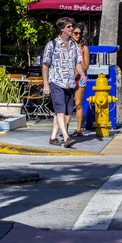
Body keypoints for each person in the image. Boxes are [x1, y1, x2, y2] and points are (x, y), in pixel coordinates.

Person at [42, 17, 86, 148]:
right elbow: (45, 65)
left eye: (71, 26)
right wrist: (46, 83)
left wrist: (82, 73)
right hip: (56, 81)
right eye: (68, 27)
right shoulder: (52, 45)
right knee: (60, 109)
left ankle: (53, 137)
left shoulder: (74, 46)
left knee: (64, 111)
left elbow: (77, 63)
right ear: (62, 29)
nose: (71, 28)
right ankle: (66, 137)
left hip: (70, 82)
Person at [70, 24, 90, 137]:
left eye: (79, 33)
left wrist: (78, 72)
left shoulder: (83, 48)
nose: (78, 35)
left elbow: (86, 65)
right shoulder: (67, 46)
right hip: (68, 76)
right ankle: (65, 128)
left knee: (78, 103)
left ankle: (78, 129)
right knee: (67, 104)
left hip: (80, 77)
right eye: (75, 33)